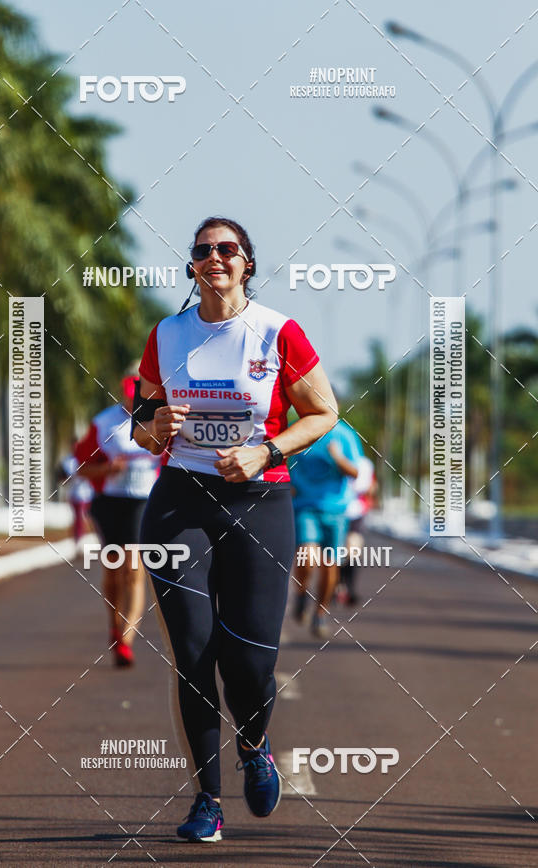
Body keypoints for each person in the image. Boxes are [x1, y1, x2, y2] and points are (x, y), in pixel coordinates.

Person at [132, 216, 336, 842]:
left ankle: (253, 743)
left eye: (227, 249)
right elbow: (142, 422)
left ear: (247, 262)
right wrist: (155, 428)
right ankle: (207, 802)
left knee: (249, 661)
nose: (214, 257)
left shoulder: (277, 332)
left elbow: (323, 413)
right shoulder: (167, 334)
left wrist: (265, 452)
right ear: (192, 266)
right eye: (203, 250)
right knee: (193, 653)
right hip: (180, 503)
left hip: (259, 503)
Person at [75, 371, 160, 667]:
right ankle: (114, 625)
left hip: (143, 502)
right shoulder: (104, 423)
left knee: (133, 569)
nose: (133, 401)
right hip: (110, 502)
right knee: (113, 570)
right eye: (129, 395)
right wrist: (107, 470)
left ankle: (126, 639)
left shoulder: (160, 418)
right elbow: (81, 467)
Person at [290, 393, 362, 638]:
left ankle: (320, 613)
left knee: (330, 565)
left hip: (335, 510)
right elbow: (281, 459)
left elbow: (356, 472)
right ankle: (301, 593)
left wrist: (337, 457)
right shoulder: (299, 429)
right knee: (307, 553)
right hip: (305, 506)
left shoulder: (345, 435)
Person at [341, 454, 377, 605]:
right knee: (335, 550)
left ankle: (349, 588)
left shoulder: (365, 463)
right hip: (336, 511)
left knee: (353, 549)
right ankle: (337, 585)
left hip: (356, 512)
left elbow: (372, 486)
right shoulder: (334, 455)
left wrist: (369, 495)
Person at [58, 443, 94, 551]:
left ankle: (83, 539)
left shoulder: (86, 457)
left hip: (87, 493)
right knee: (78, 518)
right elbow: (62, 478)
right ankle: (78, 540)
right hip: (74, 494)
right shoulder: (68, 461)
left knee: (86, 518)